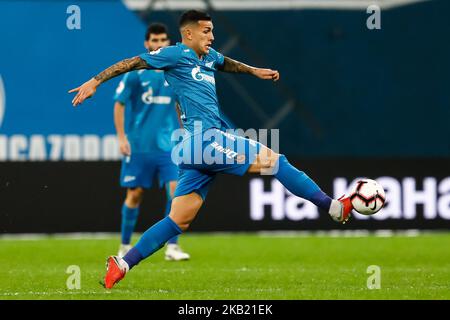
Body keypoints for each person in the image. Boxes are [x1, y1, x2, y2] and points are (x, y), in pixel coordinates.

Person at [69, 10, 353, 289]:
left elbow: (226, 63)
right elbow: (132, 62)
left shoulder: (208, 57)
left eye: (213, 31)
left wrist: (254, 71)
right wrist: (95, 81)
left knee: (178, 220)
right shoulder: (173, 54)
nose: (212, 36)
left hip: (193, 149)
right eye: (207, 31)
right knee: (275, 161)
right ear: (188, 33)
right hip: (206, 138)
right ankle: (334, 208)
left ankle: (123, 264)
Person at [113, 23, 189, 261]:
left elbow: (179, 106)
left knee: (176, 193)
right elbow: (119, 104)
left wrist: (184, 134)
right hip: (139, 146)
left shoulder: (174, 73)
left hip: (167, 146)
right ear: (147, 44)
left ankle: (172, 247)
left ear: (168, 43)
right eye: (154, 41)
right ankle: (125, 245)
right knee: (134, 195)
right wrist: (122, 138)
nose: (158, 45)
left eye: (162, 40)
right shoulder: (135, 72)